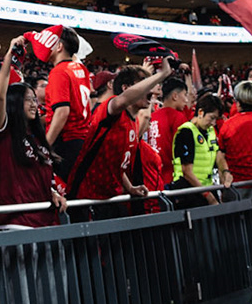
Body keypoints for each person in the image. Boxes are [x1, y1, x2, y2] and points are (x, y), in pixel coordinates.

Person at [67, 58, 174, 208]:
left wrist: (130, 187)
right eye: (143, 83)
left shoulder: (134, 122)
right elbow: (122, 100)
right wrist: (162, 74)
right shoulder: (110, 108)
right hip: (86, 197)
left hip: (111, 197)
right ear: (125, 88)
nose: (149, 89)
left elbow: (117, 162)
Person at [0, 37, 68, 229]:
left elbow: (38, 175)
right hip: (17, 225)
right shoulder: (4, 132)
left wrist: (52, 191)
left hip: (46, 223)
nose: (34, 104)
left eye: (34, 99)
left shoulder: (37, 138)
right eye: (27, 100)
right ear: (14, 102)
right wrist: (8, 57)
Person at [43, 26, 94, 172]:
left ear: (59, 46)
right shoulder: (81, 68)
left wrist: (46, 146)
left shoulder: (58, 72)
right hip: (82, 140)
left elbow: (62, 112)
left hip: (66, 142)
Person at [172, 92, 225, 203]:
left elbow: (217, 154)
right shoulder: (186, 132)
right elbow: (187, 172)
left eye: (216, 119)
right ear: (200, 112)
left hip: (206, 188)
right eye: (212, 118)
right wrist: (209, 196)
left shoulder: (210, 131)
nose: (214, 123)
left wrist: (226, 172)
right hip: (188, 192)